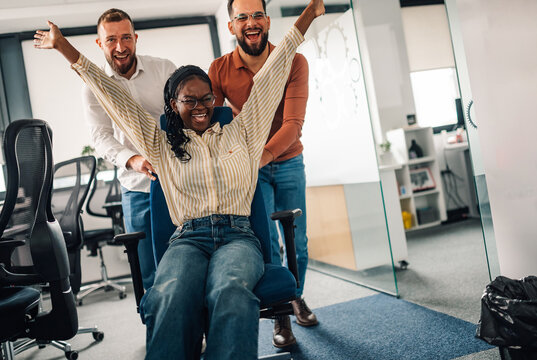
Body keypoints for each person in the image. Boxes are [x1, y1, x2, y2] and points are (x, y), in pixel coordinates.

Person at [34, 0, 324, 358]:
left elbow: (273, 72)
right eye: (190, 100)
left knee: (230, 290)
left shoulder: (244, 131)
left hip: (238, 235)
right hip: (188, 238)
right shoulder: (158, 143)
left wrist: (307, 15)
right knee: (168, 293)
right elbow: (111, 97)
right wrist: (65, 48)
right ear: (173, 104)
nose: (201, 105)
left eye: (207, 98)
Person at [208, 0, 316, 348]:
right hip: (249, 168)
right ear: (231, 26)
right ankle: (281, 316)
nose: (250, 23)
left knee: (296, 241)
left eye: (257, 15)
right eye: (242, 17)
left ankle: (295, 295)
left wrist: (262, 155)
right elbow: (214, 123)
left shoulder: (293, 61)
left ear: (267, 20)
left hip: (287, 161)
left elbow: (293, 125)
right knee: (267, 241)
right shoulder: (220, 69)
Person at [82, 8, 176, 290]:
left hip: (176, 182)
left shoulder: (164, 70)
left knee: (187, 259)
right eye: (111, 40)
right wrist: (132, 159)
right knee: (149, 273)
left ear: (136, 38)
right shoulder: (93, 86)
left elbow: (184, 117)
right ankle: (159, 332)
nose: (120, 47)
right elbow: (100, 135)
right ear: (100, 44)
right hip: (136, 188)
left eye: (126, 38)